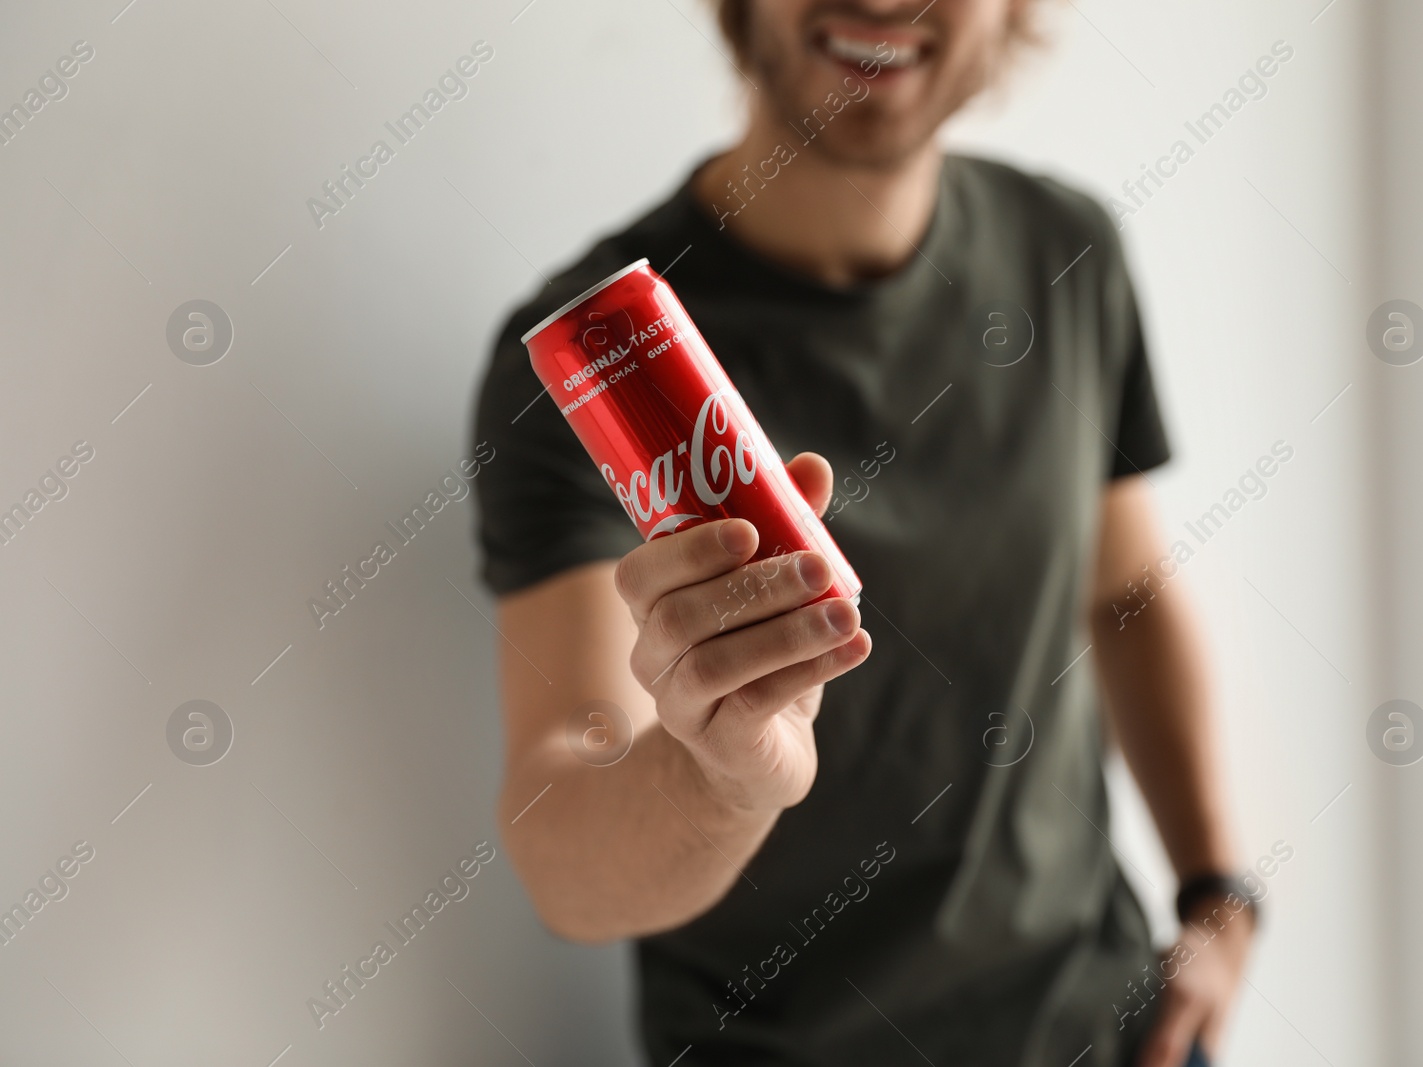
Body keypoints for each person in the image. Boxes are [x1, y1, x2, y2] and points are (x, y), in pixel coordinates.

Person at [472, 1, 1254, 1063]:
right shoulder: (594, 363)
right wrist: (720, 774)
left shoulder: (1069, 252)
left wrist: (1218, 891)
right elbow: (563, 847)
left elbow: (1126, 593)